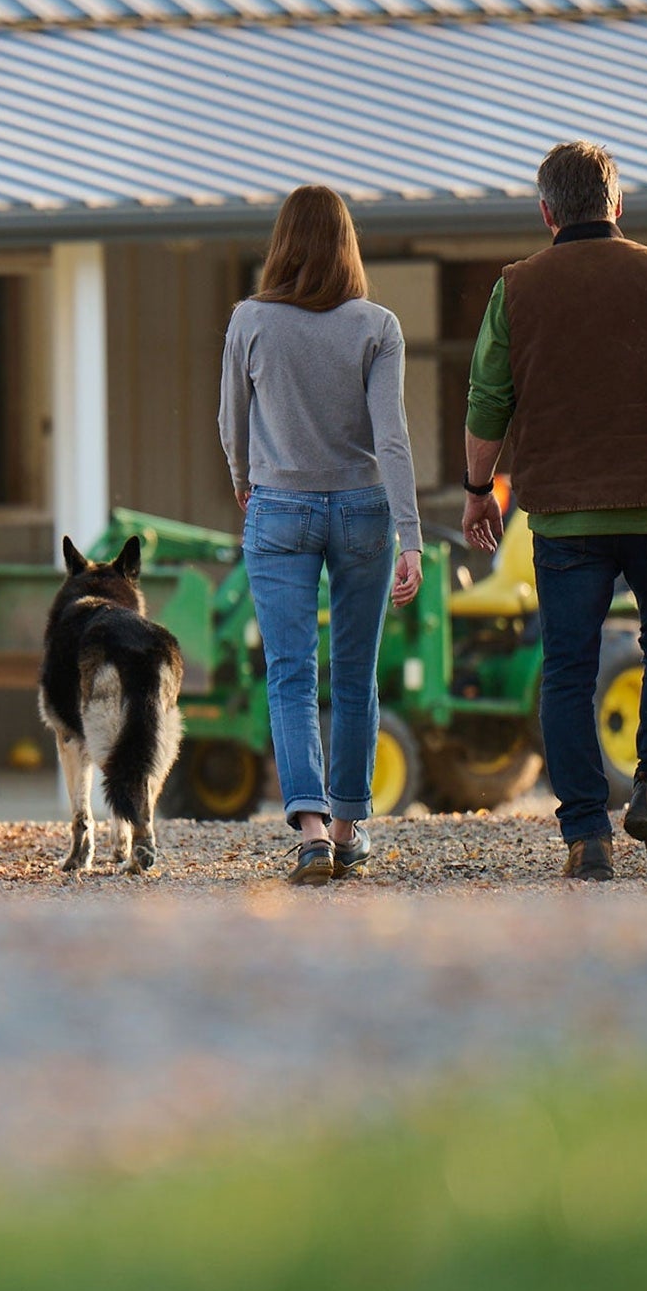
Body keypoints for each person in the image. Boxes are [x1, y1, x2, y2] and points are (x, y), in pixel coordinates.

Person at [461, 141, 647, 881]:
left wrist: (477, 489)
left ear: (547, 213)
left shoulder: (515, 289)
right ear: (617, 205)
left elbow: (488, 398)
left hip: (563, 515)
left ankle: (586, 836)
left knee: (567, 668)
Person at [219, 185, 423, 885]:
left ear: (281, 245)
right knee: (356, 672)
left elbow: (231, 420)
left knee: (290, 671)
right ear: (347, 247)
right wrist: (411, 535)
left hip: (278, 506)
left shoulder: (249, 320)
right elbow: (392, 439)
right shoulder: (378, 326)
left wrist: (244, 478)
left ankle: (309, 832)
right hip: (365, 509)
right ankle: (347, 828)